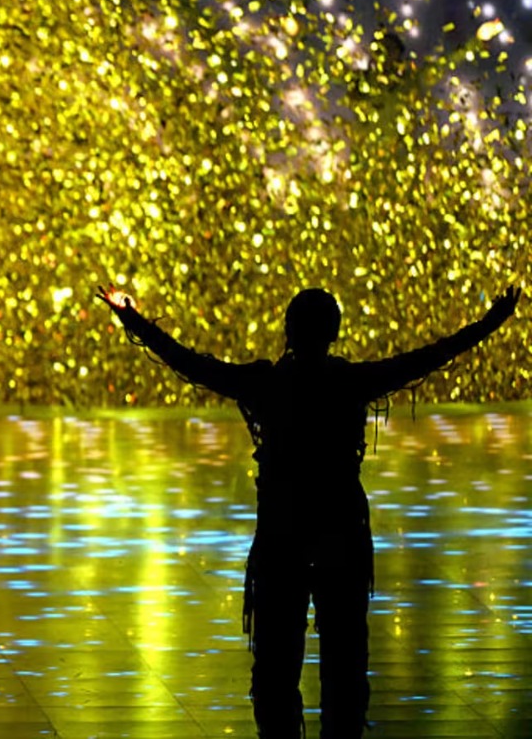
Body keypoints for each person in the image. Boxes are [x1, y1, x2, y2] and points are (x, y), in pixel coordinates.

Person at [96, 283, 520, 737]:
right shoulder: (350, 382)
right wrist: (489, 324)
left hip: (282, 537)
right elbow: (427, 357)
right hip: (342, 534)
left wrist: (131, 317)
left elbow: (190, 363)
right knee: (346, 668)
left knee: (276, 671)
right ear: (334, 332)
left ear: (288, 329)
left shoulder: (267, 383)